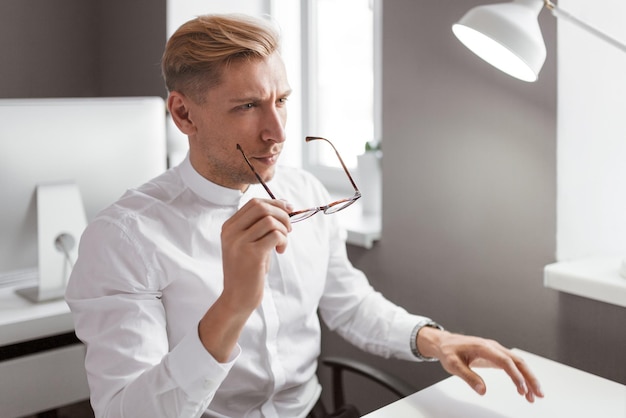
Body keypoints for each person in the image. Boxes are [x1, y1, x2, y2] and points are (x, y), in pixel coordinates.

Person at [65, 13, 543, 418]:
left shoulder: (305, 191)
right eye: (248, 106)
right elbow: (127, 410)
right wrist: (233, 302)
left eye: (282, 101)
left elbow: (350, 303)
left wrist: (433, 339)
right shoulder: (123, 239)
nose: (276, 131)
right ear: (185, 115)